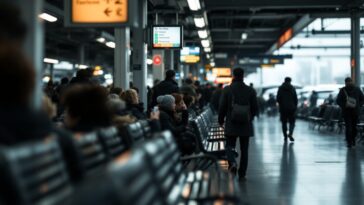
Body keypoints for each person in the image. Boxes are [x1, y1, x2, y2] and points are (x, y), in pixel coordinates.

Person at [218, 68, 258, 181]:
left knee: (229, 146)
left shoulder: (227, 89)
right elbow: (255, 108)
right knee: (245, 150)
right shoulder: (250, 90)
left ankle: (233, 165)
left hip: (231, 123)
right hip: (246, 124)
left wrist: (221, 120)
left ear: (233, 75)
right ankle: (242, 173)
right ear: (243, 75)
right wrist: (249, 117)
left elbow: (222, 107)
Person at [336, 77, 364, 148]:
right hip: (355, 111)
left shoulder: (343, 90)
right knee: (353, 127)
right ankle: (352, 141)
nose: (348, 83)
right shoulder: (357, 89)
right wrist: (358, 105)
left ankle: (350, 142)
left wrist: (344, 105)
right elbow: (362, 99)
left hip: (347, 112)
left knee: (349, 127)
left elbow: (338, 100)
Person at [276, 77, 298, 142]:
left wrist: (281, 104)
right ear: (290, 81)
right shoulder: (293, 88)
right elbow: (295, 99)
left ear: (284, 81)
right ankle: (290, 134)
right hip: (291, 108)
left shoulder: (280, 88)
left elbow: (278, 99)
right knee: (292, 122)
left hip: (283, 108)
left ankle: (285, 136)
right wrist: (295, 106)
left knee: (284, 123)